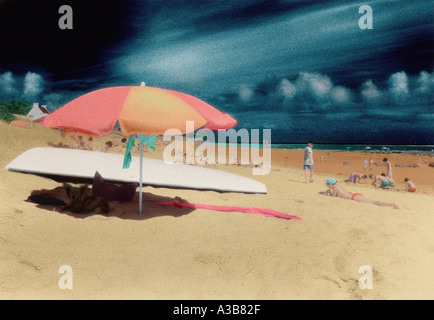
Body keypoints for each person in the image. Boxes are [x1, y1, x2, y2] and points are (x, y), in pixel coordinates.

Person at [322, 178, 399, 209]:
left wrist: (328, 193)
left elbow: (334, 197)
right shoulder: (337, 186)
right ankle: (391, 204)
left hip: (354, 197)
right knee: (372, 202)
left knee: (374, 202)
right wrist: (329, 192)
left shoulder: (335, 187)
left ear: (330, 184)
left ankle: (392, 204)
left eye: (327, 185)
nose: (327, 186)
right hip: (354, 195)